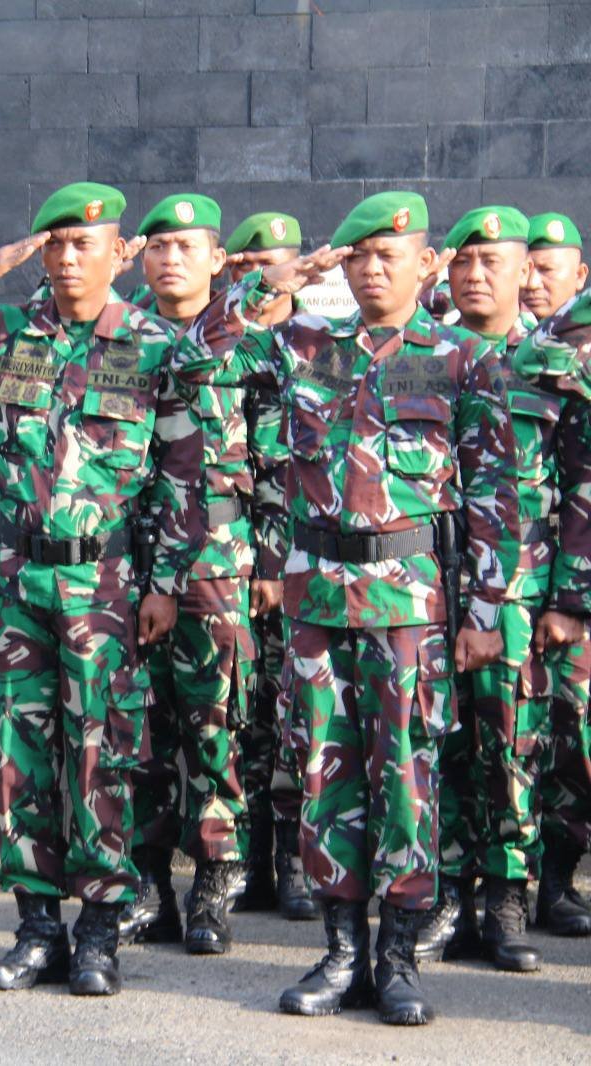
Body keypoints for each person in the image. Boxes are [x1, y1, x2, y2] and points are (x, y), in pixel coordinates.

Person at [177, 190, 520, 1026]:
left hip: (408, 608)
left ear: (424, 264)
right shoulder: (305, 344)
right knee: (324, 775)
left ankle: (397, 958)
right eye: (358, 255)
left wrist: (486, 610)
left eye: (387, 256)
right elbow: (195, 354)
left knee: (405, 778)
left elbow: (494, 494)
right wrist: (278, 282)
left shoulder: (461, 359)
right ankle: (340, 953)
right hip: (318, 604)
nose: (371, 270)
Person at [0, 181, 204, 997]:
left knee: (103, 751)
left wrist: (165, 583)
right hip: (18, 577)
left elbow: (182, 473)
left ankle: (99, 931)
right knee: (17, 750)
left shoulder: (155, 347)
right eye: (53, 243)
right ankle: (36, 927)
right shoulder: (1, 332)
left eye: (82, 243)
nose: (65, 257)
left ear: (118, 253)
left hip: (104, 581)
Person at [117, 193, 253, 955]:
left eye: (186, 246)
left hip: (216, 563)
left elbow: (278, 453)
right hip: (128, 558)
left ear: (216, 259)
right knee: (138, 727)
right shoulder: (118, 336)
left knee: (213, 726)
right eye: (157, 246)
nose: (170, 259)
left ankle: (213, 883)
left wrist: (272, 561)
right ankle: (147, 885)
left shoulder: (248, 340)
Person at [414, 207, 548, 973]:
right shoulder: (424, 356)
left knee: (509, 743)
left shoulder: (551, 362)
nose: (474, 275)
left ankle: (505, 897)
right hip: (430, 582)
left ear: (525, 270)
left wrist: (566, 598)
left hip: (520, 590)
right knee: (438, 740)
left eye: (492, 261)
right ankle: (444, 895)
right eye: (462, 261)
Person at [217, 212, 317, 923]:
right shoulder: (228, 348)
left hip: (307, 565)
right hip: (238, 561)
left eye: (279, 264)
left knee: (297, 716)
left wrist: (281, 566)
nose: (269, 278)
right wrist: (255, 564)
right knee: (245, 715)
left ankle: (294, 861)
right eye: (254, 268)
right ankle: (251, 861)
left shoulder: (322, 345)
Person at [519, 211, 591, 937]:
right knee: (512, 736)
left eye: (549, 269)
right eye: (528, 268)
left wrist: (572, 599)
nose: (534, 281)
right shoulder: (504, 353)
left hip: (571, 589)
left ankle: (558, 880)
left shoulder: (579, 356)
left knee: (570, 734)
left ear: (581, 275)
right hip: (508, 583)